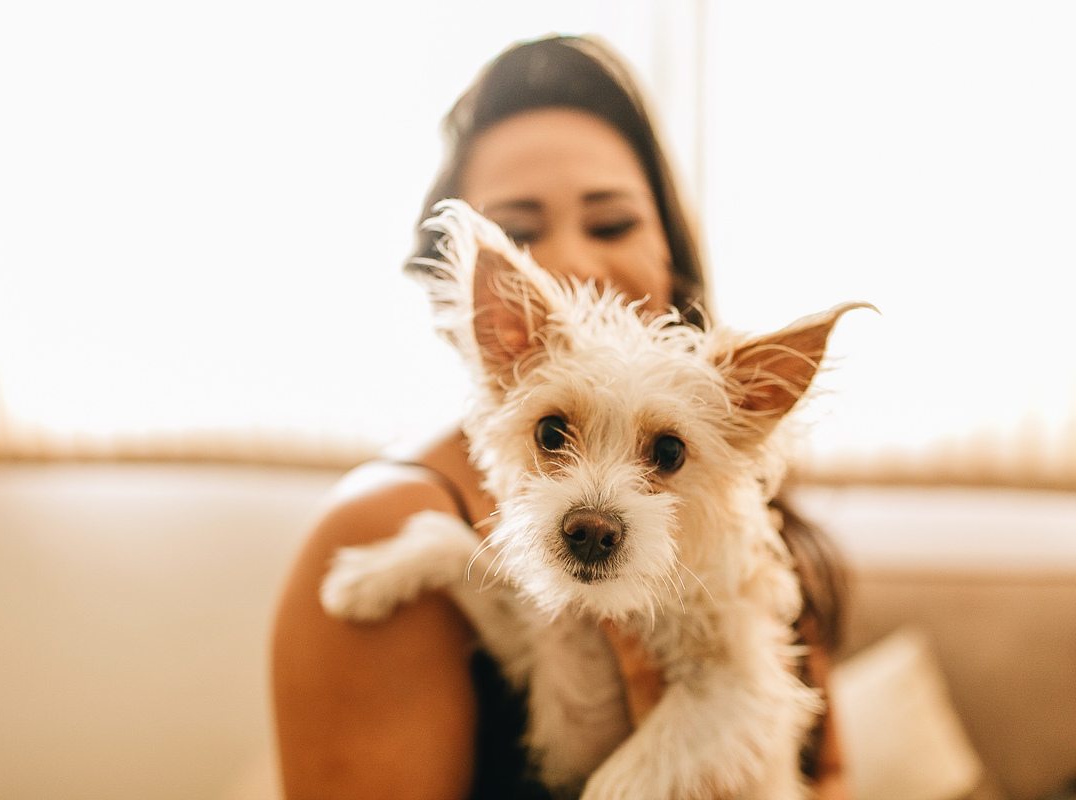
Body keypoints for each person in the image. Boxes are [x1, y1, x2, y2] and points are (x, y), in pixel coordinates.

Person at [271, 34, 849, 800]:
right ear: (495, 324)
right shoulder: (379, 513)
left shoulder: (744, 524)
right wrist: (445, 555)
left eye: (611, 224)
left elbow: (830, 771)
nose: (569, 261)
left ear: (672, 252)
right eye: (519, 231)